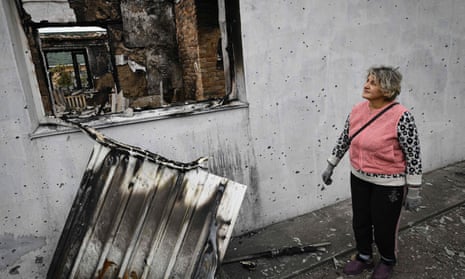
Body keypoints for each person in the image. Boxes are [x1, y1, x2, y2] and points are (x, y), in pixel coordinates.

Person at [321, 66, 422, 279]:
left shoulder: (401, 116)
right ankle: (364, 256)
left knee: (384, 225)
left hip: (389, 183)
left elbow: (413, 153)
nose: (366, 85)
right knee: (360, 219)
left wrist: (414, 189)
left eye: (373, 82)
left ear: (387, 89)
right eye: (367, 80)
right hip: (359, 177)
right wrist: (331, 164)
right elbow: (344, 139)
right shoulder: (358, 110)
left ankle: (387, 259)